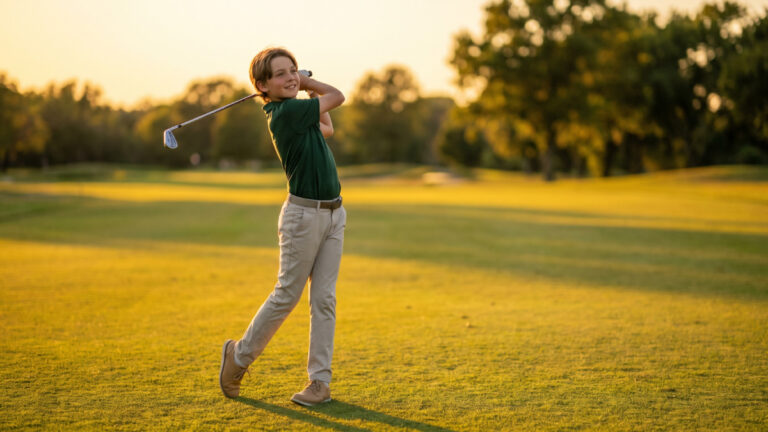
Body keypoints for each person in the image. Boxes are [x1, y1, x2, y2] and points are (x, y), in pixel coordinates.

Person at [218, 47, 346, 406]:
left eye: (292, 69)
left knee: (324, 300)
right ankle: (238, 356)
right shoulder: (283, 113)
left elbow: (327, 127)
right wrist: (308, 83)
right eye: (281, 74)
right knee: (287, 294)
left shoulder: (296, 111)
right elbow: (338, 96)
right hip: (303, 217)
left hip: (334, 214)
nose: (290, 76)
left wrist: (303, 89)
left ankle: (319, 383)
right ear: (262, 86)